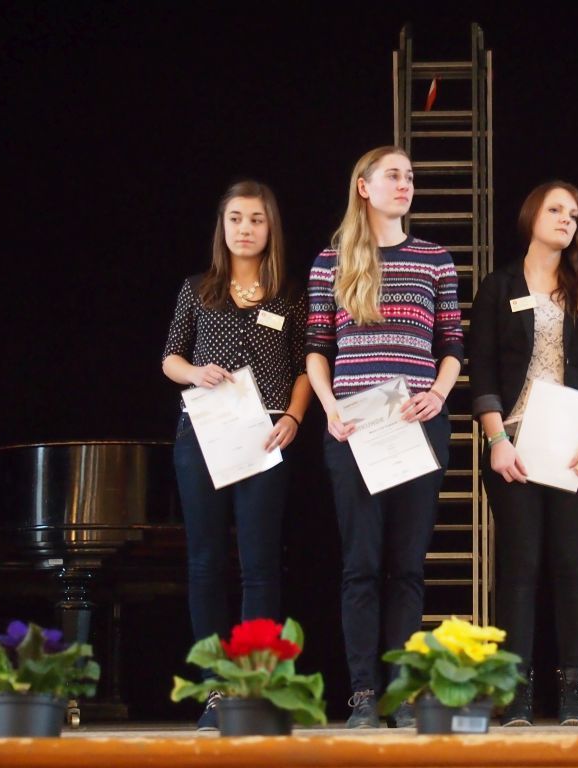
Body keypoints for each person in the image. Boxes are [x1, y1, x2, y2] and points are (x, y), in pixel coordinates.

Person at [305, 146, 463, 729]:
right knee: (361, 565)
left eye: (410, 177)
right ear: (363, 186)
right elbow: (317, 349)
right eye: (393, 175)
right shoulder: (331, 261)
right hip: (354, 429)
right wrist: (329, 409)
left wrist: (439, 394)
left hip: (417, 424)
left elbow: (452, 345)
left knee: (407, 566)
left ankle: (400, 692)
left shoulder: (435, 259)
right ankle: (363, 694)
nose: (405, 184)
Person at [162, 180, 310, 730]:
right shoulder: (197, 288)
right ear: (222, 227)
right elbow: (169, 358)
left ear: (271, 228)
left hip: (266, 433)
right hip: (204, 432)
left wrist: (294, 417)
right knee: (205, 562)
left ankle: (256, 687)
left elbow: (305, 365)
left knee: (260, 564)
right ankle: (215, 691)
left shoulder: (289, 294)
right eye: (235, 219)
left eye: (256, 219)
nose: (245, 229)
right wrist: (195, 372)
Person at [470, 181, 578, 727]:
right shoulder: (499, 286)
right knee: (520, 566)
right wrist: (496, 441)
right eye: (556, 210)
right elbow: (482, 371)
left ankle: (574, 692)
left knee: (572, 565)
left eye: (573, 214)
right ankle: (516, 696)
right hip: (514, 444)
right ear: (531, 215)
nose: (565, 220)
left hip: (575, 444)